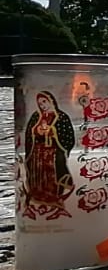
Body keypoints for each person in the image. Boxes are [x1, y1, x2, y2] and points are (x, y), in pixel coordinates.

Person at [23, 90, 76, 219]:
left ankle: (54, 198)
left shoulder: (61, 117)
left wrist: (52, 131)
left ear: (51, 101)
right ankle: (37, 197)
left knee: (52, 176)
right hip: (37, 154)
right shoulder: (36, 116)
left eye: (44, 102)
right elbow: (29, 134)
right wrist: (37, 131)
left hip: (53, 153)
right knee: (38, 176)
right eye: (40, 103)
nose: (42, 105)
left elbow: (68, 137)